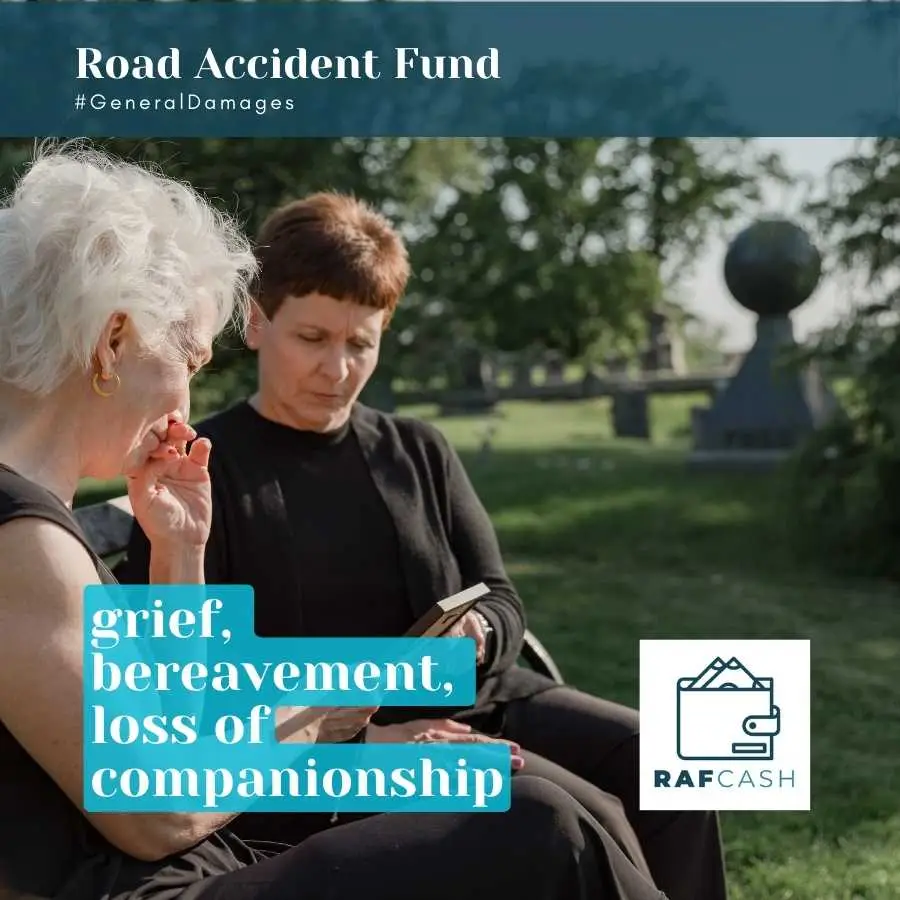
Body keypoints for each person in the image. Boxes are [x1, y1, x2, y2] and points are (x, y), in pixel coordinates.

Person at [0, 143, 668, 900]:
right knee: (539, 823)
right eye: (187, 357)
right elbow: (159, 806)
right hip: (170, 881)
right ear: (113, 344)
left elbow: (172, 730)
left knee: (548, 808)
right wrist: (336, 717)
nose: (186, 396)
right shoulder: (19, 537)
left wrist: (180, 548)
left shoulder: (35, 521)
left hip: (215, 850)